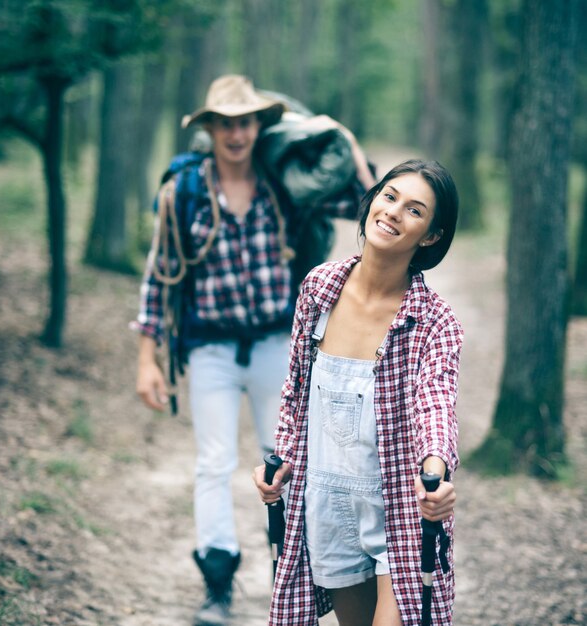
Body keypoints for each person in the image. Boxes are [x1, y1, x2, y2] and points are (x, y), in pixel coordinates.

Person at [132, 74, 375, 626]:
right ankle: (217, 585)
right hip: (211, 349)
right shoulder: (184, 191)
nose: (235, 133)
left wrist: (345, 142)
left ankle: (287, 578)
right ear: (211, 129)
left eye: (244, 122)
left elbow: (361, 201)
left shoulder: (281, 181)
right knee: (213, 464)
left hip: (278, 344)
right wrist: (147, 358)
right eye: (224, 123)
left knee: (285, 460)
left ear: (259, 126)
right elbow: (160, 277)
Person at [254, 159, 463, 626]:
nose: (393, 213)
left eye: (415, 210)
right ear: (371, 202)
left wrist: (437, 472)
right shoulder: (319, 288)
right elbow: (296, 391)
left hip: (401, 507)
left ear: (430, 235)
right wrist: (282, 458)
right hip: (326, 500)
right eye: (389, 197)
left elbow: (437, 403)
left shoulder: (435, 321)